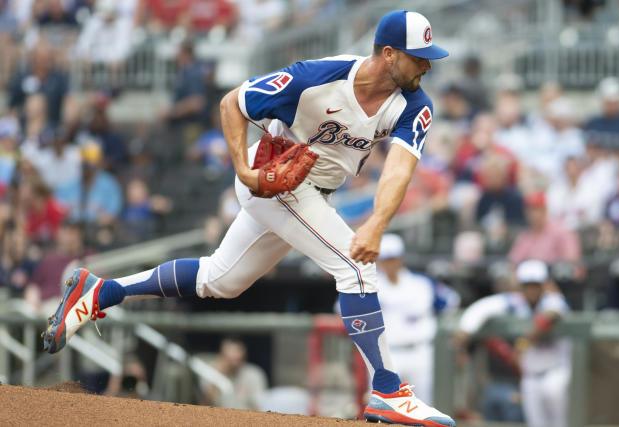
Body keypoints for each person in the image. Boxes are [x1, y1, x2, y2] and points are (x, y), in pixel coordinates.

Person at [43, 10, 456, 426]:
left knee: (219, 280)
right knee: (357, 270)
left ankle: (100, 291)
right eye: (418, 56)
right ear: (388, 54)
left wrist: (377, 222)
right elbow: (233, 103)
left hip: (310, 193)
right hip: (275, 183)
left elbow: (398, 169)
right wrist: (242, 169)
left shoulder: (414, 104)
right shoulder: (316, 77)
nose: (427, 64)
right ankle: (386, 390)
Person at [452, 260, 571, 427]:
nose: (531, 289)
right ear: (520, 286)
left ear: (544, 285)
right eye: (527, 285)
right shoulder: (515, 302)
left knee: (559, 423)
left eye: (535, 285)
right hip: (530, 376)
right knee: (536, 423)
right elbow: (482, 307)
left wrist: (524, 341)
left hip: (555, 374)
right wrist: (465, 329)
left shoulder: (554, 300)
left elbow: (550, 315)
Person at [376, 234, 459, 405]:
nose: (389, 264)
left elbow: (451, 301)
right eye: (385, 259)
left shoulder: (422, 283)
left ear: (401, 259)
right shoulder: (371, 284)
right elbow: (341, 308)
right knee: (386, 407)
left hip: (420, 351)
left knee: (424, 407)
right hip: (388, 353)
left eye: (393, 259)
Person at [200, 336, 267, 410]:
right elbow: (204, 405)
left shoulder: (254, 374)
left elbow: (260, 406)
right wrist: (217, 376)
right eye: (229, 359)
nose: (234, 364)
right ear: (221, 355)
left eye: (237, 359)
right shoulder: (210, 372)